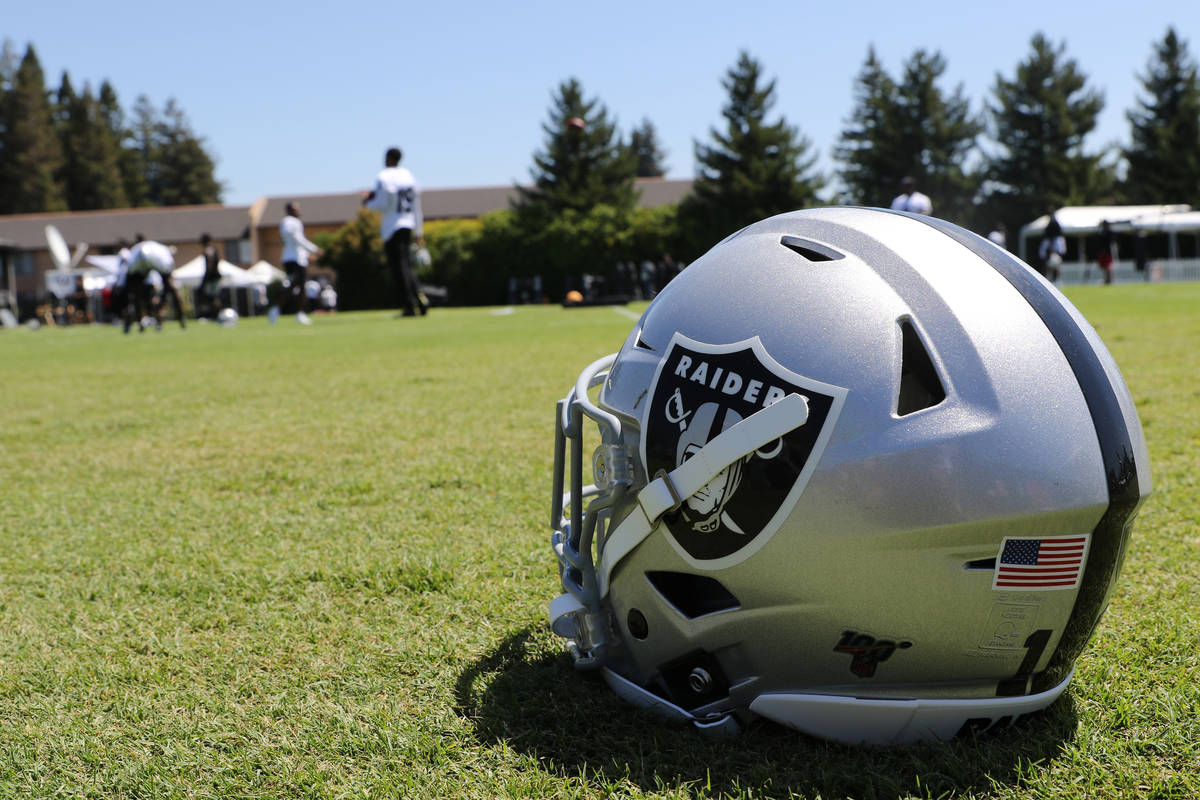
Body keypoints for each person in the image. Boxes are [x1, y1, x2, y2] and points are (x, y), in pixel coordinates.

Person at [363, 147, 426, 317]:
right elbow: (417, 205)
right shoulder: (409, 176)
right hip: (408, 224)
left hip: (392, 226)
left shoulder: (384, 176)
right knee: (407, 266)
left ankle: (409, 306)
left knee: (399, 269)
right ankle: (419, 299)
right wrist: (419, 232)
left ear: (389, 158)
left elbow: (384, 203)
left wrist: (367, 202)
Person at [118, 235, 185, 333]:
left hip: (147, 268)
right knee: (168, 293)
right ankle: (180, 320)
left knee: (136, 297)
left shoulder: (138, 251)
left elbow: (129, 274)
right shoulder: (156, 250)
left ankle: (142, 322)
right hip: (152, 268)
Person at [270, 202, 319, 325]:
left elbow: (297, 243)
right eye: (296, 208)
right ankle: (275, 309)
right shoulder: (288, 222)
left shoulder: (294, 222)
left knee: (301, 286)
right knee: (293, 285)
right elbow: (296, 239)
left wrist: (307, 255)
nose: (298, 210)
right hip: (291, 260)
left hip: (299, 259)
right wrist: (314, 249)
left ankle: (300, 313)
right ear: (289, 210)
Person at [197, 232, 222, 319]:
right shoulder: (212, 249)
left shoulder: (209, 249)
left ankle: (216, 315)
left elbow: (210, 263)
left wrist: (207, 275)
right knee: (211, 296)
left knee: (213, 296)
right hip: (212, 276)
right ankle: (214, 314)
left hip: (212, 277)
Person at [1037, 208, 1066, 282]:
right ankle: (1047, 279)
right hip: (1049, 250)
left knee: (1057, 266)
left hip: (1056, 246)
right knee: (1047, 267)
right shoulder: (1047, 239)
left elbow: (1062, 251)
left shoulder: (1058, 238)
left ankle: (1057, 280)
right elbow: (1042, 253)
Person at [1096, 220, 1116, 285]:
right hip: (1103, 252)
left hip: (1107, 252)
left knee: (1108, 267)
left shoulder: (1109, 232)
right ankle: (1106, 280)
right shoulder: (1102, 232)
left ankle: (1109, 280)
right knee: (1105, 267)